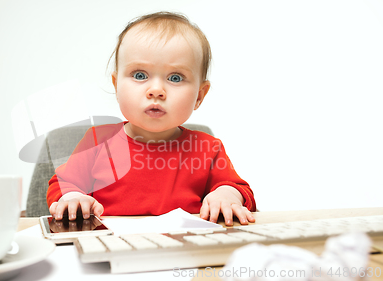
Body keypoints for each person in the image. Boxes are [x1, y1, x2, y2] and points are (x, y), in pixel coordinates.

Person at [46, 11, 256, 226]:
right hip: (113, 248)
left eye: (175, 78)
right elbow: (63, 184)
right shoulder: (97, 141)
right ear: (116, 85)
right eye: (140, 75)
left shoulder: (207, 148)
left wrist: (227, 195)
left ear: (199, 96)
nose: (156, 90)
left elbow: (241, 190)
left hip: (183, 250)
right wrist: (72, 198)